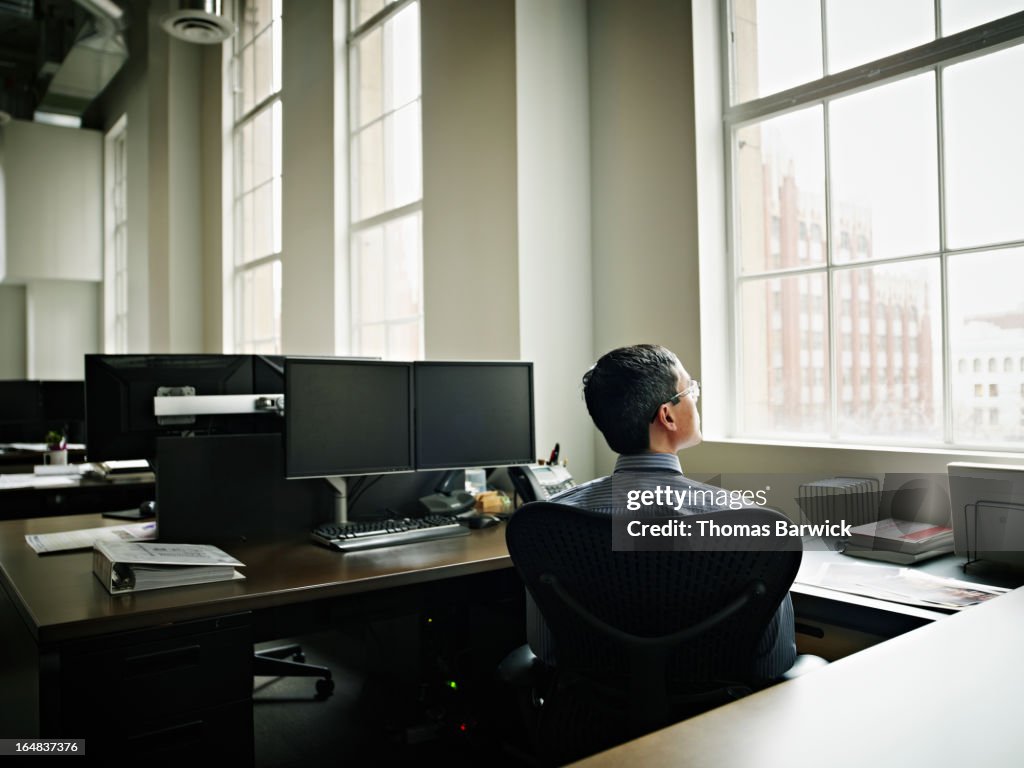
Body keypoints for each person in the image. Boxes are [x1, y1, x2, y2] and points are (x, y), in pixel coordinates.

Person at [529, 343, 797, 681]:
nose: (696, 397)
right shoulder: (746, 523)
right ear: (667, 416)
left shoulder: (553, 519)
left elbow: (545, 649)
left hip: (596, 718)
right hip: (716, 725)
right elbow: (774, 664)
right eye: (690, 389)